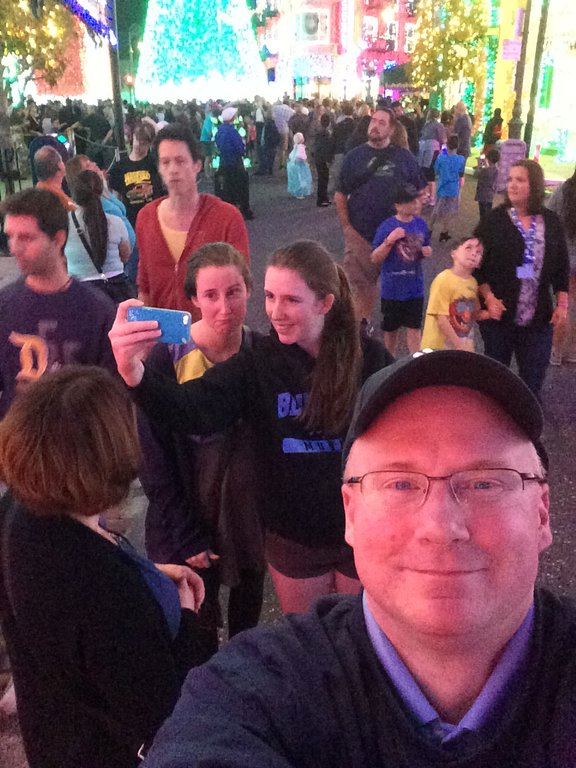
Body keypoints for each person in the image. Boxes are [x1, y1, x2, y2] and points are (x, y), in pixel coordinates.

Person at [139, 349, 576, 768]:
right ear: (350, 514)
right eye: (400, 484)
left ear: (542, 513)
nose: (441, 527)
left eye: (484, 483)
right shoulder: (248, 695)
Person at [110, 240, 392, 615]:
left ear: (324, 303)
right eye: (270, 297)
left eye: (291, 300)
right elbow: (193, 408)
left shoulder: (369, 359)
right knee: (308, 639)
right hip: (294, 539)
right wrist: (134, 374)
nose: (275, 312)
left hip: (360, 529)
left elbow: (404, 435)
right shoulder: (259, 361)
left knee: (359, 634)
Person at [0, 366, 206, 768]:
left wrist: (147, 573)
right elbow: (164, 715)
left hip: (50, 732)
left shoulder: (18, 510)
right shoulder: (108, 593)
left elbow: (64, 611)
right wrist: (187, 617)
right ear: (107, 459)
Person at [140, 243, 265, 658]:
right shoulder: (167, 358)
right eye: (210, 295)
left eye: (234, 292)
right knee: (199, 625)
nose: (224, 308)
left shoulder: (261, 352)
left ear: (249, 289)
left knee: (247, 614)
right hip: (188, 518)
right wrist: (185, 533)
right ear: (193, 299)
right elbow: (154, 459)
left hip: (246, 517)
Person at [0, 188, 116, 419]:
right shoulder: (4, 306)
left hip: (75, 436)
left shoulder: (96, 310)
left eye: (26, 238)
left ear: (58, 239)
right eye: (10, 236)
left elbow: (110, 398)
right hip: (16, 435)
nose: (14, 248)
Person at [474, 159, 569, 398]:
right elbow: (476, 266)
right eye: (510, 179)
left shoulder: (551, 221)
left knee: (532, 383)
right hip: (499, 315)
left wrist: (562, 304)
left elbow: (561, 265)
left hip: (538, 317)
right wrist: (488, 298)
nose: (512, 185)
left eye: (520, 180)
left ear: (534, 185)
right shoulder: (494, 221)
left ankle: (527, 420)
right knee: (495, 381)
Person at [135, 123, 249, 317]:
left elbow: (240, 287)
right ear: (159, 168)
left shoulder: (226, 218)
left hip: (214, 329)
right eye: (165, 162)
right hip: (163, 331)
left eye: (180, 161)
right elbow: (145, 286)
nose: (173, 170)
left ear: (197, 165)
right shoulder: (146, 218)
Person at [335, 108, 424, 321]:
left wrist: (412, 220)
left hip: (398, 237)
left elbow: (420, 192)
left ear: (392, 129)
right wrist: (347, 228)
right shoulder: (354, 157)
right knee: (358, 286)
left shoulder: (404, 158)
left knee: (398, 289)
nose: (375, 126)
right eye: (373, 121)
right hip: (360, 234)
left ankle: (391, 332)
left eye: (382, 123)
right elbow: (340, 194)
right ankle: (362, 327)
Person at [371, 184, 432, 355]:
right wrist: (389, 241)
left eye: (416, 200)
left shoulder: (421, 224)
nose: (416, 204)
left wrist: (426, 251)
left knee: (414, 328)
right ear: (398, 206)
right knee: (391, 330)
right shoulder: (387, 226)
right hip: (392, 290)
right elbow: (374, 258)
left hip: (415, 289)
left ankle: (417, 362)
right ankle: (389, 361)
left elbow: (425, 247)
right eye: (410, 201)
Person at [65, 170, 136, 303]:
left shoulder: (64, 224)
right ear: (100, 191)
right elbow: (125, 255)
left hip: (79, 290)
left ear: (74, 194)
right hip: (115, 288)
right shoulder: (116, 222)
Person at [421, 236, 488, 350]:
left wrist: (491, 312)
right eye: (468, 248)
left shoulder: (473, 283)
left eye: (478, 252)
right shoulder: (443, 279)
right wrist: (459, 346)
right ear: (454, 253)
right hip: (438, 349)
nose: (473, 254)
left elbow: (473, 313)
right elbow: (441, 319)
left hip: (462, 347)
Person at [545, 166, 576, 365]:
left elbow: (548, 216)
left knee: (564, 305)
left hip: (565, 258)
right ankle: (572, 351)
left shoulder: (564, 190)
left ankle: (556, 351)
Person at [215, 107, 254, 221]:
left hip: (224, 162)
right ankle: (244, 210)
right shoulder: (232, 131)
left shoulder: (220, 130)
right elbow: (240, 148)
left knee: (227, 187)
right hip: (235, 162)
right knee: (241, 187)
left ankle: (229, 210)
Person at [431, 135, 466, 243]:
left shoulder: (441, 157)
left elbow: (436, 170)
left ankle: (430, 228)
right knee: (449, 211)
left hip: (442, 187)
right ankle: (444, 232)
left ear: (447, 145)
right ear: (458, 146)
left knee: (436, 209)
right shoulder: (461, 159)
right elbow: (460, 173)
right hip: (454, 188)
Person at [417, 108, 446, 206]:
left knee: (425, 173)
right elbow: (443, 139)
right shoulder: (439, 125)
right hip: (432, 150)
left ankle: (427, 196)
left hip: (423, 149)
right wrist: (444, 152)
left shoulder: (426, 125)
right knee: (430, 174)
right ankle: (431, 197)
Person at [33, 145, 75, 211]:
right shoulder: (63, 201)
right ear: (59, 166)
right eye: (61, 160)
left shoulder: (38, 189)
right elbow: (76, 210)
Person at [474, 148, 500, 221]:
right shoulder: (497, 170)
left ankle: (484, 224)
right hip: (490, 194)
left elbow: (475, 175)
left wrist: (479, 165)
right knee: (488, 209)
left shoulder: (485, 170)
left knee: (482, 212)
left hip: (482, 193)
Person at [314, 113, 334, 207]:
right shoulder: (326, 133)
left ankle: (323, 198)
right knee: (323, 179)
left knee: (322, 179)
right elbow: (326, 148)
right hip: (323, 159)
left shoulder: (319, 132)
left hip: (318, 158)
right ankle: (322, 199)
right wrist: (328, 160)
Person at [286, 132, 312, 200]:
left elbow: (291, 155)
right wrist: (305, 160)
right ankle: (300, 193)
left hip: (294, 165)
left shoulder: (295, 147)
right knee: (302, 179)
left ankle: (297, 192)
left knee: (296, 179)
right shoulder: (301, 147)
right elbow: (301, 156)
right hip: (301, 165)